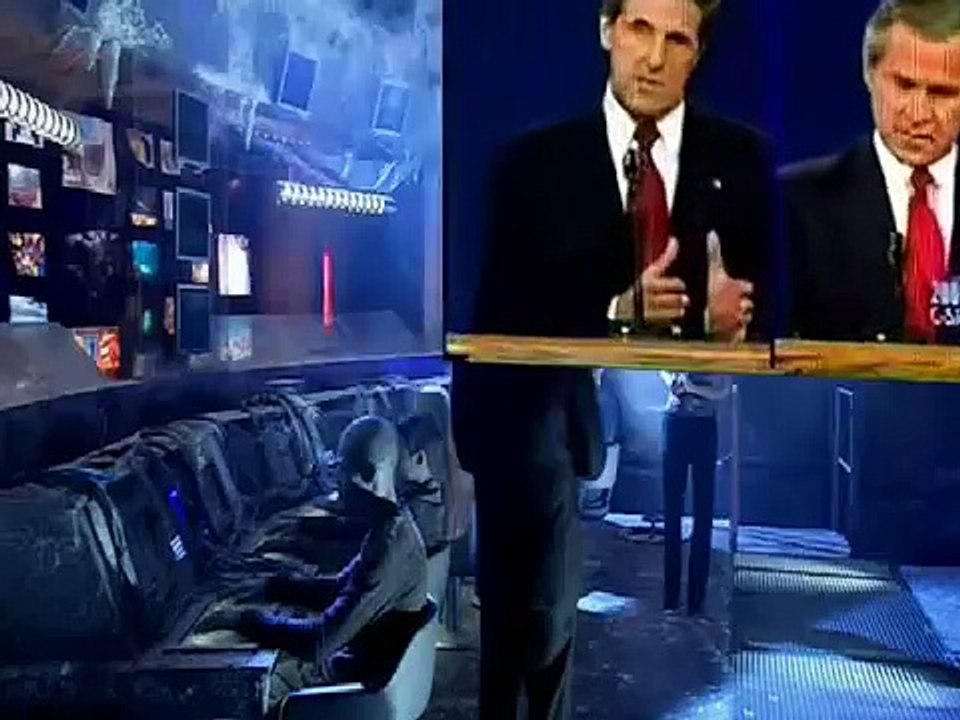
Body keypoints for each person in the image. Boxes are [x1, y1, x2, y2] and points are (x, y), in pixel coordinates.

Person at [452, 1, 774, 717]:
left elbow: (776, 305)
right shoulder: (529, 166)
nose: (654, 58)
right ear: (606, 30)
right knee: (523, 632)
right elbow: (498, 307)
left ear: (698, 53)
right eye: (639, 30)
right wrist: (613, 309)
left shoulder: (742, 163)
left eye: (677, 38)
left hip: (574, 433)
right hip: (523, 434)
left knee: (552, 631)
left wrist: (728, 325)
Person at [197, 415, 428, 716]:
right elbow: (339, 589)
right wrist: (271, 587)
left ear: (368, 475)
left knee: (228, 693)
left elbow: (317, 644)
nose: (337, 487)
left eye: (341, 473)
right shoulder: (392, 527)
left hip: (350, 691)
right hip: (354, 666)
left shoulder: (389, 545)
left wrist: (243, 621)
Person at [784, 0, 960, 343]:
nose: (919, 114)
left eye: (942, 93)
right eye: (904, 85)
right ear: (869, 75)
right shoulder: (796, 204)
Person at [659, 372, 729, 615]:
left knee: (702, 512)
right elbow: (661, 367)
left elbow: (723, 390)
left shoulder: (720, 353)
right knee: (673, 512)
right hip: (677, 422)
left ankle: (694, 600)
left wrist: (689, 386)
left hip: (700, 425)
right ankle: (672, 598)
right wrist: (673, 380)